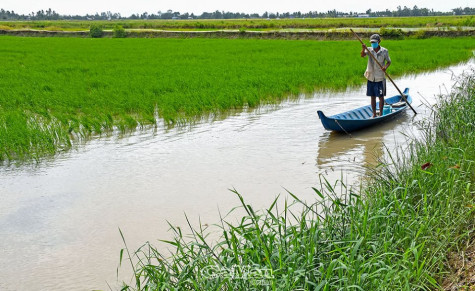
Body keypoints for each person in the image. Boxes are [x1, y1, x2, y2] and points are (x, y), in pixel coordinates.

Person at [361, 34, 391, 118]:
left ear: (379, 42)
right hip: (371, 77)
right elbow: (362, 55)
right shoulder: (369, 50)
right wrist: (363, 49)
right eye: (372, 42)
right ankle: (374, 114)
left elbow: (389, 61)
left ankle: (381, 114)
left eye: (374, 42)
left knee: (381, 97)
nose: (373, 44)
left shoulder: (384, 51)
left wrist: (385, 67)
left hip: (380, 77)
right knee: (372, 96)